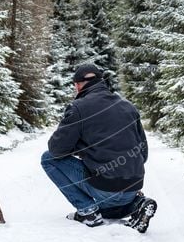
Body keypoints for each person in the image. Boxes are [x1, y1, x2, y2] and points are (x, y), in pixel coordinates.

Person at [40, 63, 157, 232]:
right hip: (134, 185)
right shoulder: (128, 106)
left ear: (78, 85)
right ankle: (137, 204)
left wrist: (81, 149)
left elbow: (56, 149)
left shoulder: (78, 108)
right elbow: (143, 155)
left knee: (47, 158)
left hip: (105, 189)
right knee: (111, 204)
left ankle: (88, 211)